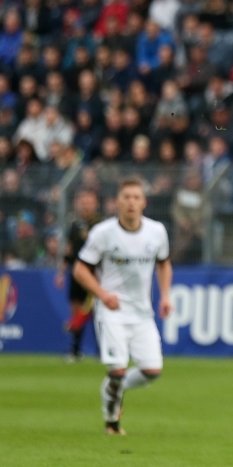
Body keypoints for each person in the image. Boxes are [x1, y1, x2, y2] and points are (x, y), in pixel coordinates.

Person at [72, 177, 172, 435]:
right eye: (126, 197)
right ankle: (111, 421)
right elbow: (80, 269)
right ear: (117, 202)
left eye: (136, 197)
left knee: (152, 370)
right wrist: (102, 294)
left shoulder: (157, 231)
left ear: (144, 203)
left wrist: (165, 296)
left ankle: (115, 387)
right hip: (112, 311)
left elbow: (163, 262)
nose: (131, 202)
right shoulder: (103, 234)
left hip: (142, 313)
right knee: (116, 368)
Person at [58, 189, 102, 362]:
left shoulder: (101, 225)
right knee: (76, 310)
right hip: (75, 274)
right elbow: (69, 249)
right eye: (83, 201)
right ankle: (75, 351)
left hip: (93, 274)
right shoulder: (75, 224)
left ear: (95, 204)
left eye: (89, 201)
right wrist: (61, 272)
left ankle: (102, 351)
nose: (86, 205)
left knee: (98, 314)